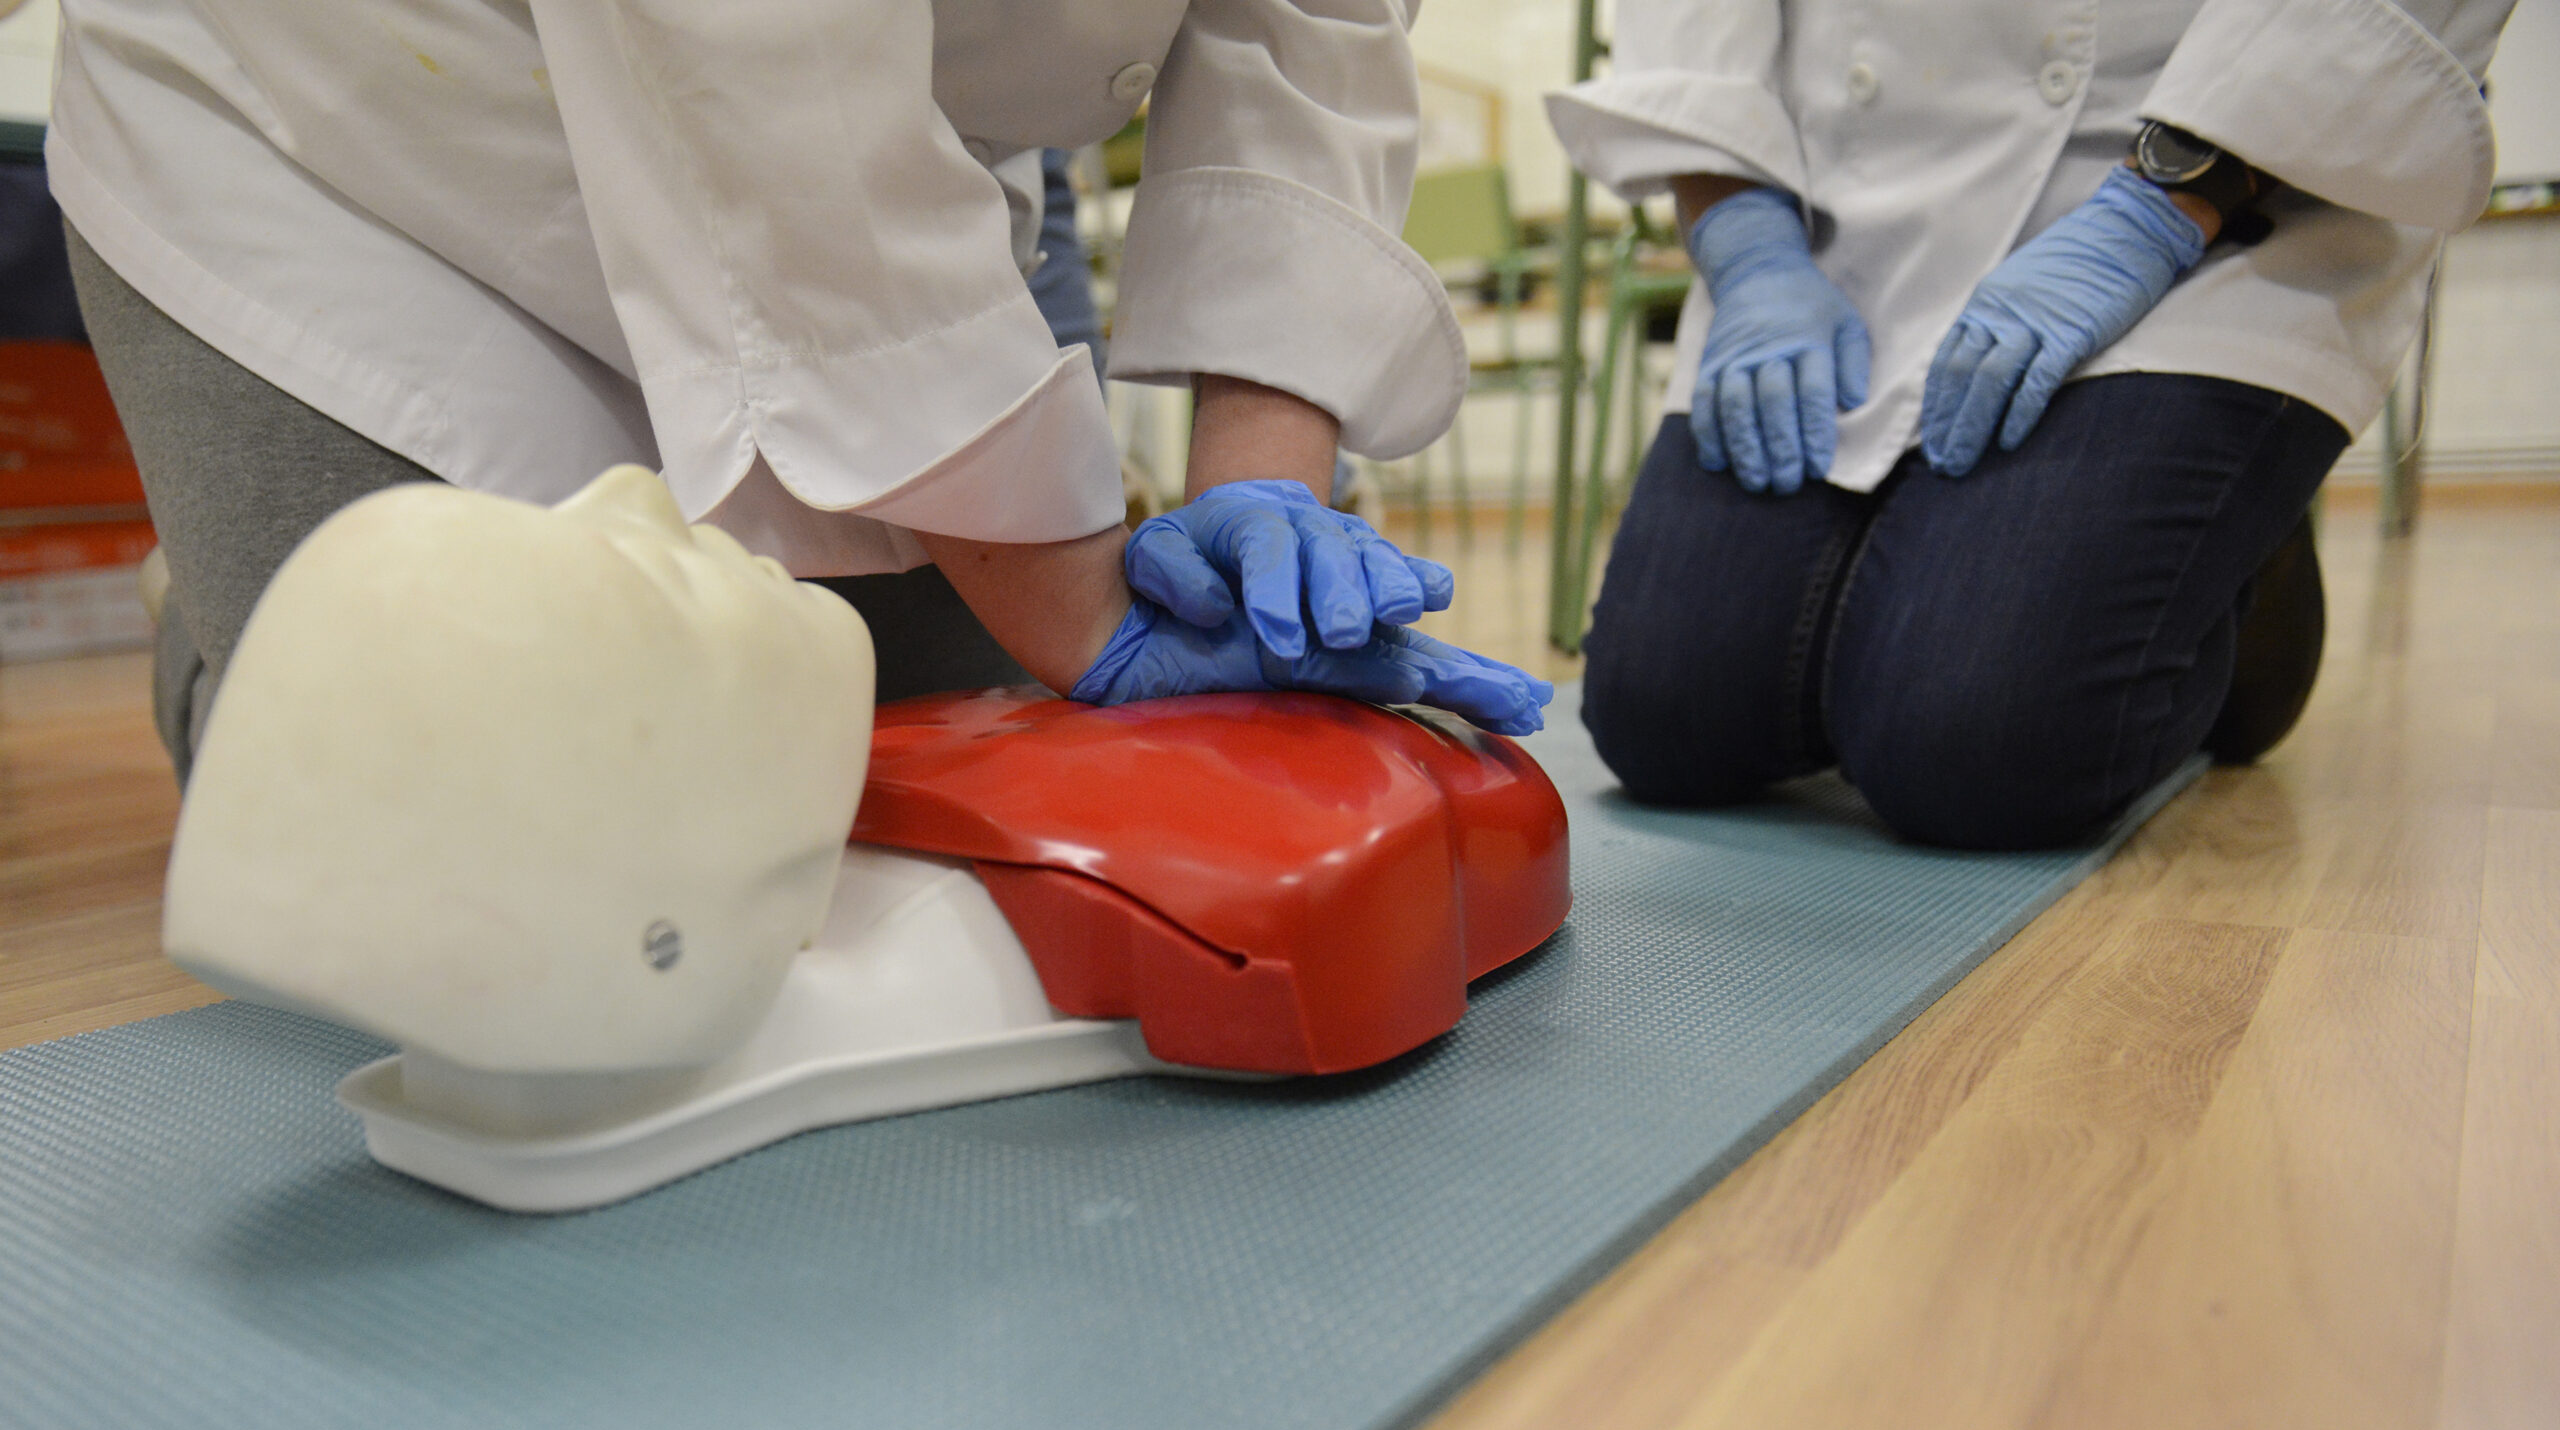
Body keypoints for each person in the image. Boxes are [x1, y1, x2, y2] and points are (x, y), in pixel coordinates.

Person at [47, 0, 1549, 781]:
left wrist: (1262, 480)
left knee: (874, 776)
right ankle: (241, 637)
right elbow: (761, 61)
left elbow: (1308, 34)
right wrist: (1077, 605)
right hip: (375, 132)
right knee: (488, 851)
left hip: (869, 173)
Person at [1548, 0, 2514, 849]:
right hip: (1834, 206)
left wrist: (2158, 206)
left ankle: (2237, 550)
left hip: (2198, 184)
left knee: (1973, 752)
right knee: (1662, 719)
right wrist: (1748, 244)